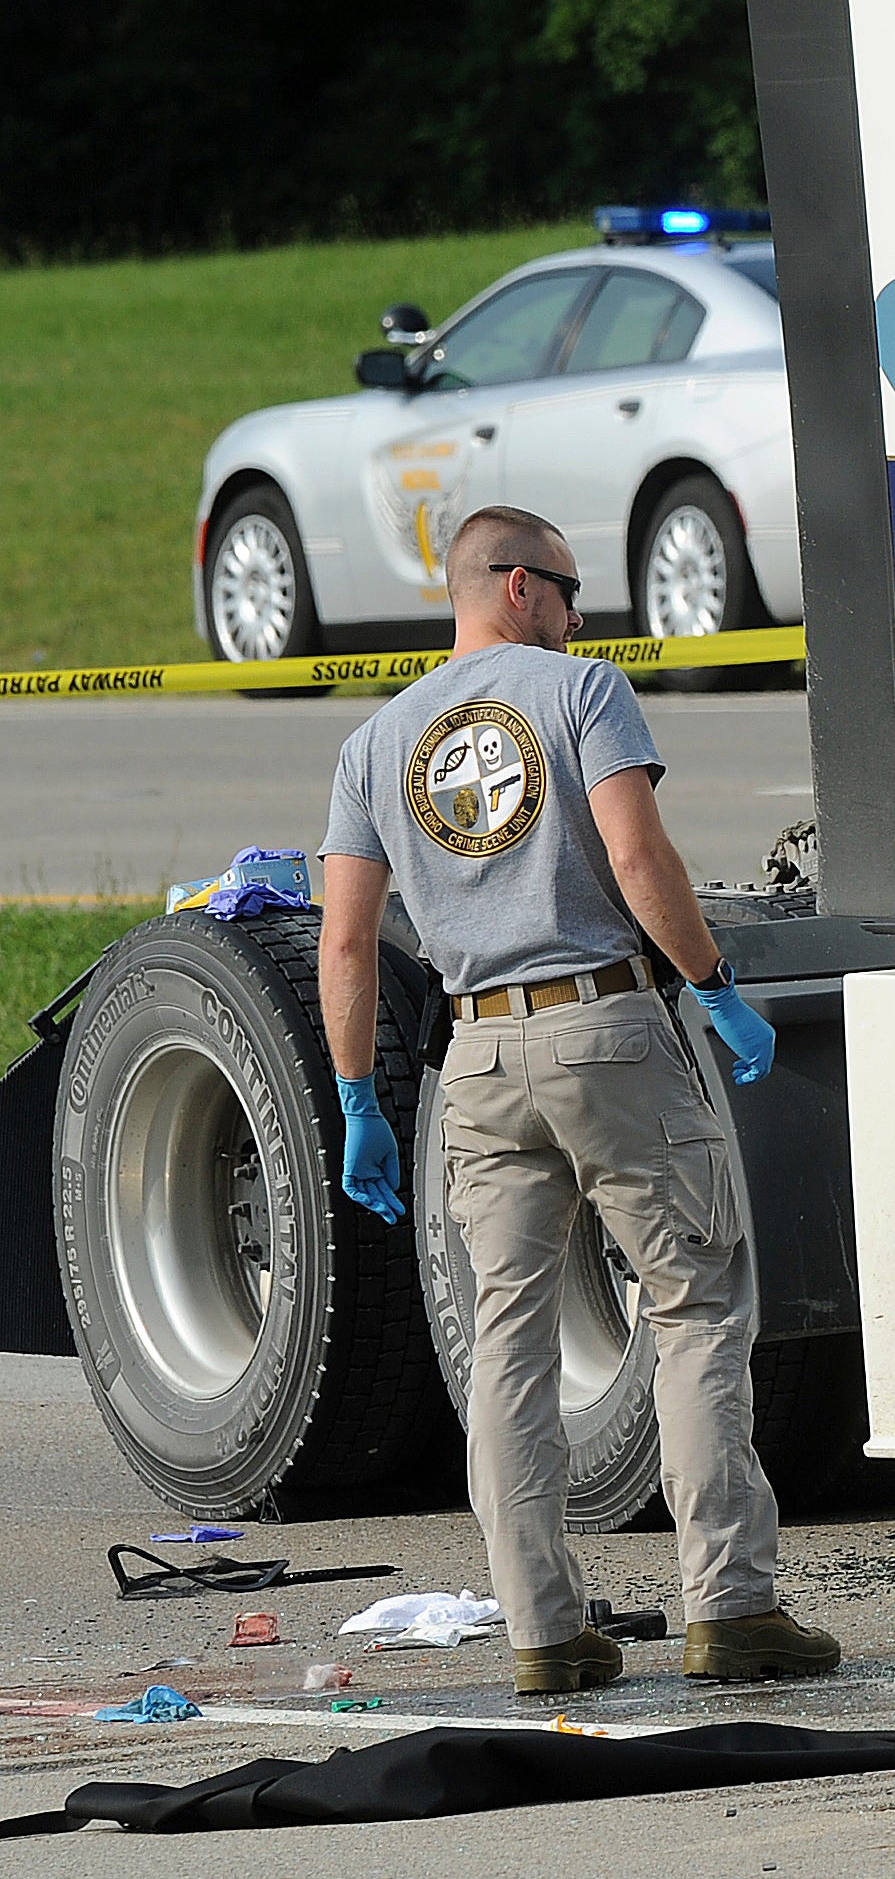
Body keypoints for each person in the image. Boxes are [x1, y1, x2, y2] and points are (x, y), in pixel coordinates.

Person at [316, 503, 842, 1698]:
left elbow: (345, 943)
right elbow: (642, 857)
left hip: (480, 1057)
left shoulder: (374, 744)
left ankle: (542, 1629)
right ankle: (732, 1605)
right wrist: (715, 985)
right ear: (511, 584)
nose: (577, 612)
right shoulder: (577, 690)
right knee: (695, 1304)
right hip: (603, 1025)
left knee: (508, 1339)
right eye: (564, 586)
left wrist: (361, 1098)